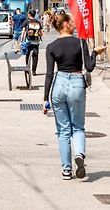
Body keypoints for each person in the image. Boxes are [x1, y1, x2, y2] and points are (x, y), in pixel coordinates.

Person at [44, 13, 106, 180]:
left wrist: (45, 100)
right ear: (65, 25)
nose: (73, 23)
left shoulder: (51, 47)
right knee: (78, 127)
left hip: (59, 84)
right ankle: (79, 154)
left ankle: (66, 170)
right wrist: (94, 52)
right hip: (77, 83)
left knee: (63, 131)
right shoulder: (80, 42)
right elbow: (90, 67)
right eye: (70, 21)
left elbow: (49, 74)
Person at [21, 9, 43, 75]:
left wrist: (22, 40)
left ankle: (27, 69)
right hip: (36, 41)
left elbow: (23, 31)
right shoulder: (38, 22)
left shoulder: (26, 21)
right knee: (35, 56)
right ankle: (34, 71)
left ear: (29, 14)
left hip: (28, 41)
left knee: (28, 55)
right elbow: (41, 32)